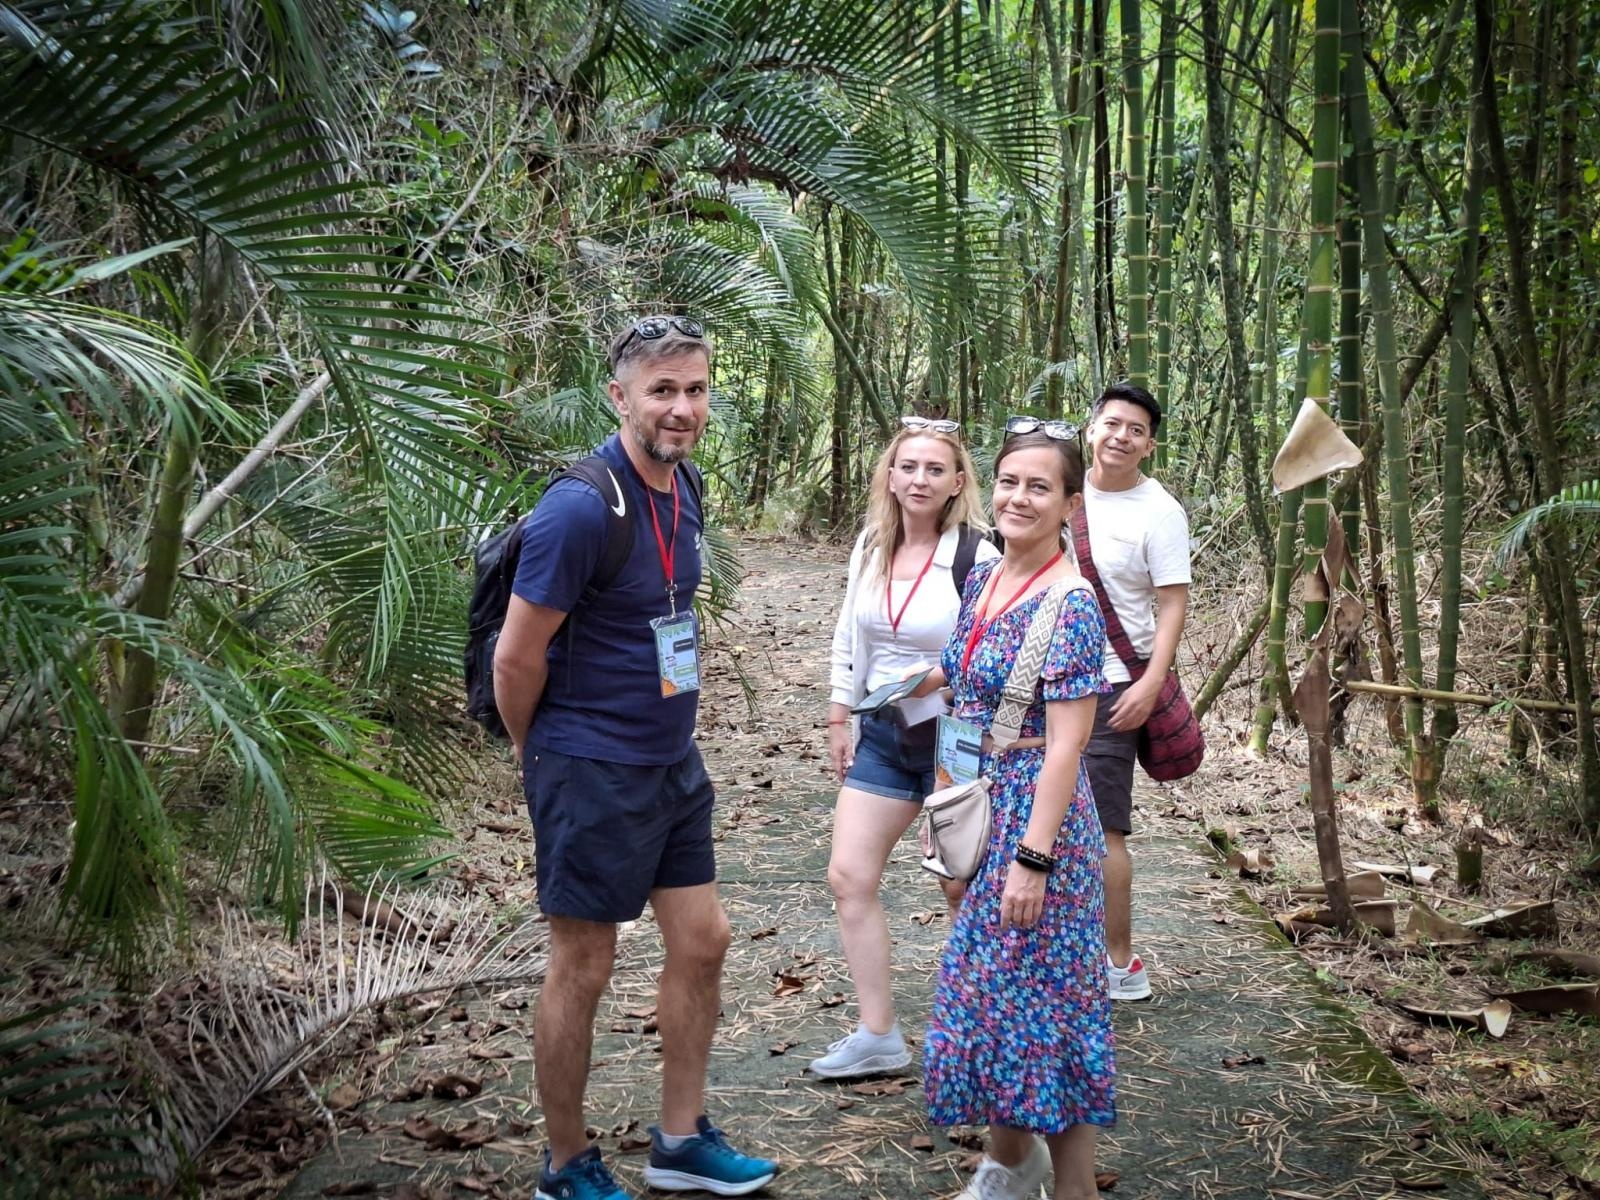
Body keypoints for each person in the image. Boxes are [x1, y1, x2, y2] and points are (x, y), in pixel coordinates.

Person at [493, 316, 778, 1200]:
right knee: (583, 964)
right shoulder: (580, 508)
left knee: (704, 941)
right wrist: (545, 757)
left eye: (695, 389)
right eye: (663, 390)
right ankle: (566, 1165)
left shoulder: (680, 484)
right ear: (619, 396)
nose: (682, 407)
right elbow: (515, 656)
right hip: (589, 766)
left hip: (669, 761)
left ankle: (681, 1143)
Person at [919, 420, 1114, 1200]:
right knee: (989, 996)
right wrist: (945, 831)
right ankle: (1010, 1160)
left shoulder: (1072, 605)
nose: (1018, 497)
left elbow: (1068, 747)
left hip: (1042, 829)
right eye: (1008, 481)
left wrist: (1032, 861)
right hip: (976, 807)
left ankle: (1072, 1185)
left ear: (1071, 503)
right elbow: (963, 693)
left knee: (1048, 1009)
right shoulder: (983, 579)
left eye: (1039, 486)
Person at [812, 417, 998, 1081]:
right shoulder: (871, 544)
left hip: (958, 735)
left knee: (959, 885)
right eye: (908, 467)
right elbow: (847, 636)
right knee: (849, 876)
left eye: (935, 469)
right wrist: (840, 713)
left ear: (956, 483)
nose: (919, 479)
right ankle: (877, 1033)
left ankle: (977, 1034)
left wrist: (933, 679)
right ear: (890, 476)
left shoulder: (981, 554)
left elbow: (991, 650)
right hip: (884, 733)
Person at [1078, 382, 1191, 1002]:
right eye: (1112, 423)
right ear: (1091, 428)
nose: (1122, 436)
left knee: (1102, 828)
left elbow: (1172, 603)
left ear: (1149, 445)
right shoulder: (1059, 487)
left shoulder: (1158, 511)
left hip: (1111, 686)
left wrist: (1151, 681)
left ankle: (1118, 962)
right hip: (1035, 683)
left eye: (1136, 430)